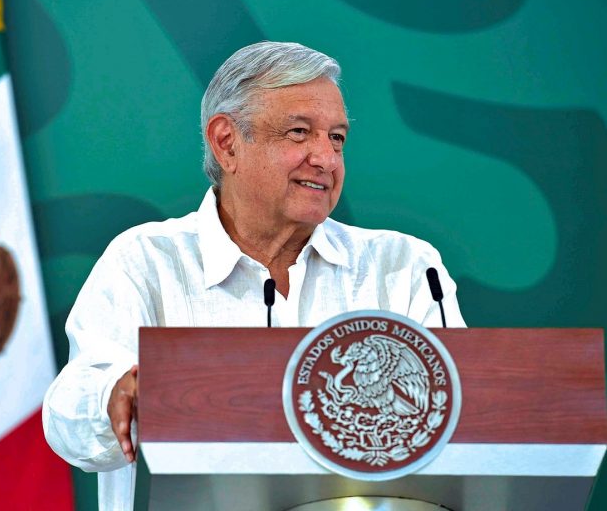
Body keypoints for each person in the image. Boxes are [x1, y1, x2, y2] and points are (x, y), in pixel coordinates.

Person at [42, 41, 465, 510]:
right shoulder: (147, 261)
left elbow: (466, 424)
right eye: (300, 133)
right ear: (226, 142)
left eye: (337, 138)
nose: (326, 159)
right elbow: (69, 419)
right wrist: (113, 396)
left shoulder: (404, 267)